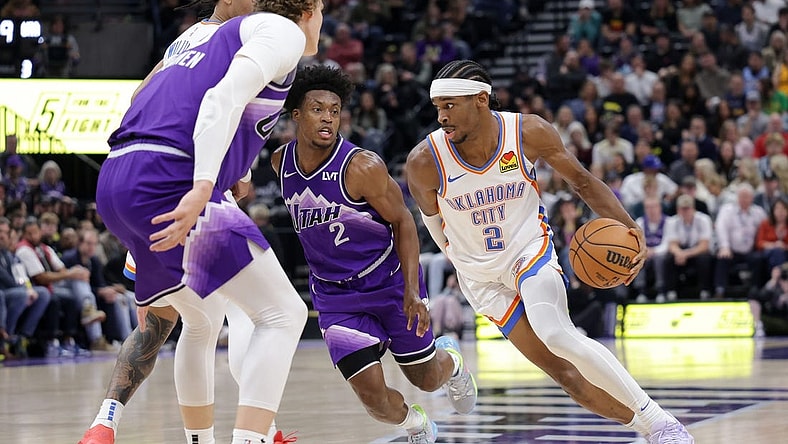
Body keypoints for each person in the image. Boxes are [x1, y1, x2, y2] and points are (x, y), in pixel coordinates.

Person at [405, 59, 694, 444]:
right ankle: (650, 427)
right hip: (480, 277)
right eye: (437, 108)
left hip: (529, 251)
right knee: (567, 377)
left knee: (557, 333)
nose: (441, 117)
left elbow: (583, 183)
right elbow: (434, 227)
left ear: (480, 99)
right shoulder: (424, 161)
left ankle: (662, 425)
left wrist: (630, 226)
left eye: (449, 105)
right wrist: (461, 265)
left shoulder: (527, 132)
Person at [93, 2, 323, 444]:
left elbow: (156, 96)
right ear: (309, 8)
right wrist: (201, 187)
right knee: (280, 313)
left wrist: (232, 172)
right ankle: (256, 436)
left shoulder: (199, 39)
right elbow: (222, 98)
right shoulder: (281, 32)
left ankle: (188, 435)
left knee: (204, 323)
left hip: (118, 179)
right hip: (174, 179)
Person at [271, 65, 477, 444]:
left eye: (334, 111)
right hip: (335, 297)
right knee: (373, 400)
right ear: (296, 114)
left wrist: (413, 291)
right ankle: (416, 426)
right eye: (318, 109)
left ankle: (452, 361)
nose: (328, 118)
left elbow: (404, 222)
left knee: (427, 379)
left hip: (389, 284)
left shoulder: (362, 167)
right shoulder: (280, 163)